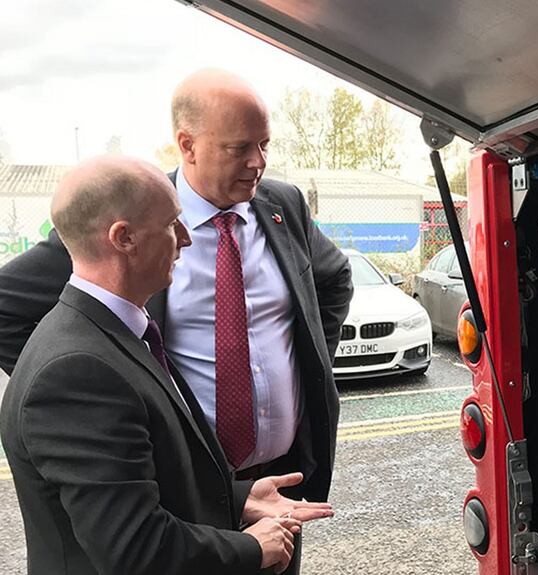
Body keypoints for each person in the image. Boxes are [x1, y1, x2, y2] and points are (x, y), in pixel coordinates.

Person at [0, 71, 350, 497]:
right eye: (239, 148)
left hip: (281, 477)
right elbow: (6, 308)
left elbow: (334, 277)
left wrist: (311, 364)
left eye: (264, 144)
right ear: (188, 145)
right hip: (182, 485)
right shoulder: (134, 214)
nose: (258, 162)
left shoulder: (284, 205)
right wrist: (87, 388)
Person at [0, 155, 333, 574]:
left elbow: (140, 484)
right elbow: (135, 547)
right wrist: (251, 548)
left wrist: (237, 497)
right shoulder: (77, 373)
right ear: (124, 238)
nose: (187, 239)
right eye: (173, 224)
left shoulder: (117, 333)